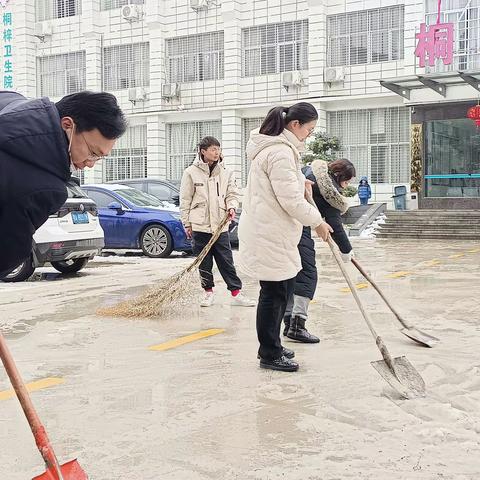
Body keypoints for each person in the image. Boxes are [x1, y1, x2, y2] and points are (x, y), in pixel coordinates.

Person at [238, 102, 333, 373]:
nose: (309, 135)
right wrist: (318, 222)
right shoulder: (279, 152)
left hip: (273, 230)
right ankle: (269, 352)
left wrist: (299, 182)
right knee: (274, 293)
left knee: (282, 291)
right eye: (309, 130)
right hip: (269, 232)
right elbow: (290, 201)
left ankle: (274, 344)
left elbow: (282, 189)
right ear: (295, 126)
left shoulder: (280, 150)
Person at [0, 90, 127, 278]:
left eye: (99, 158)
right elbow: (7, 254)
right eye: (93, 152)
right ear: (68, 125)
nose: (90, 163)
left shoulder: (9, 102)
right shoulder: (46, 189)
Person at [283, 159, 356, 343]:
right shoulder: (330, 193)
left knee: (290, 273)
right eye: (346, 182)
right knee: (307, 273)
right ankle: (297, 325)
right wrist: (346, 250)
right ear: (338, 177)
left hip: (281, 226)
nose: (346, 187)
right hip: (298, 229)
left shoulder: (308, 171)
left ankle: (288, 322)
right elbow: (335, 226)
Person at [180, 136, 255, 308]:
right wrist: (187, 223)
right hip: (200, 224)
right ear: (203, 151)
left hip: (220, 225)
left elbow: (232, 194)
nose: (216, 153)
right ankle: (208, 293)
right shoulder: (190, 172)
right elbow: (185, 200)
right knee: (204, 262)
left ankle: (236, 293)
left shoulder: (226, 171)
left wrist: (232, 206)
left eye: (218, 149)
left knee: (226, 260)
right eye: (213, 149)